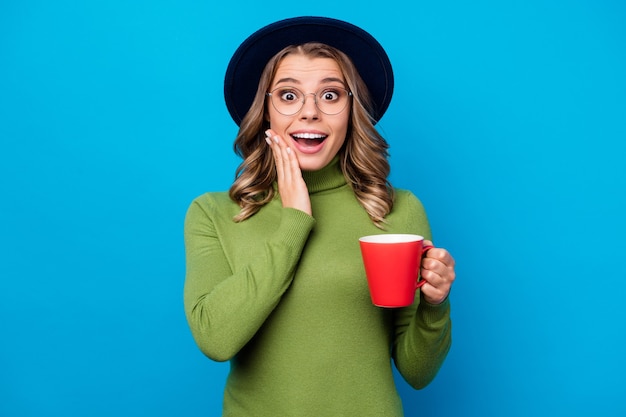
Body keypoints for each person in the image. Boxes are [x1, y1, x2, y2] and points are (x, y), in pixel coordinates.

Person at [184, 16, 456, 416]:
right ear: (265, 112)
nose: (309, 112)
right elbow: (215, 340)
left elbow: (417, 372)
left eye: (330, 96)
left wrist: (436, 305)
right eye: (289, 96)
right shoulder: (214, 213)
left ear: (352, 111)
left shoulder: (397, 209)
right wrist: (294, 219)